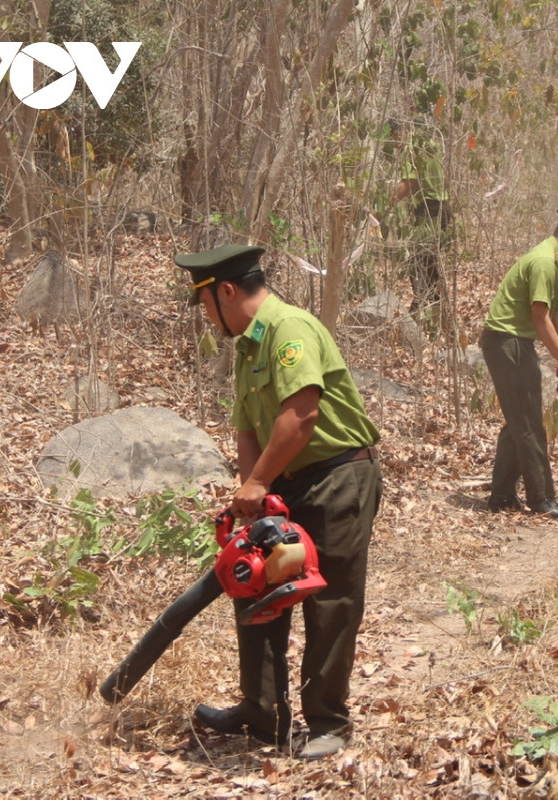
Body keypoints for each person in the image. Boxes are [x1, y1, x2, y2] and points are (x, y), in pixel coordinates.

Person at [174, 244, 383, 760]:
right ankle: (262, 711)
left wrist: (259, 482)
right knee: (253, 586)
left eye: (205, 304)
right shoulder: (248, 346)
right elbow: (248, 427)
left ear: (226, 291)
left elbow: (301, 416)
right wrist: (253, 494)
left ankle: (328, 723)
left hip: (337, 476)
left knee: (329, 600)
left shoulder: (288, 329)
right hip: (284, 481)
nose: (205, 316)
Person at [480, 209, 558, 521]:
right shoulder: (543, 262)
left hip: (515, 342)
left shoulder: (556, 263)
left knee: (520, 420)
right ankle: (542, 499)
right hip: (505, 342)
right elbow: (541, 319)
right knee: (529, 423)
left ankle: (502, 496)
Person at [391, 123, 452, 315]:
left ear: (398, 132)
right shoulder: (429, 144)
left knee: (418, 264)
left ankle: (424, 309)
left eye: (392, 138)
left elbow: (408, 184)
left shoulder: (411, 148)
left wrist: (384, 205)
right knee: (429, 265)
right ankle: (436, 310)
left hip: (430, 210)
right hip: (443, 207)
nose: (393, 145)